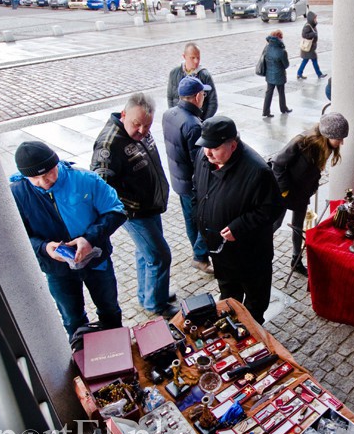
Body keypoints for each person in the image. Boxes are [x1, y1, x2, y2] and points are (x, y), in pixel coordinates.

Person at [9, 141, 127, 337]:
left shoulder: (85, 179)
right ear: (25, 176)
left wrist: (89, 239)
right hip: (57, 269)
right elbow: (16, 235)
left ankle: (117, 347)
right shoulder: (17, 193)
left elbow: (116, 211)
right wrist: (44, 248)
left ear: (57, 163)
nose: (44, 181)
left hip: (96, 260)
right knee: (72, 319)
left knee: (109, 309)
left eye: (48, 173)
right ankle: (82, 353)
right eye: (35, 178)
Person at [91, 93, 177, 318]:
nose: (142, 130)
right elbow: (102, 190)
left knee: (145, 253)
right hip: (134, 213)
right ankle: (156, 305)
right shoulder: (108, 145)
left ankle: (148, 294)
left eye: (147, 125)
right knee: (160, 255)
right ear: (123, 115)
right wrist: (130, 207)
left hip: (150, 206)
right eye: (136, 124)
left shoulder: (140, 130)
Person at [193, 117, 281, 324]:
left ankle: (251, 334)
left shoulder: (258, 171)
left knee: (254, 303)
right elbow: (196, 187)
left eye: (214, 148)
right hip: (220, 251)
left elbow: (272, 208)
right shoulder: (204, 156)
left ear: (233, 145)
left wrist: (240, 227)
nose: (207, 152)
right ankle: (231, 327)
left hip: (250, 254)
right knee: (228, 296)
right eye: (205, 146)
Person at [270, 113, 349, 276]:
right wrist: (284, 190)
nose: (342, 142)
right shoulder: (302, 141)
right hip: (283, 191)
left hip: (301, 192)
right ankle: (260, 255)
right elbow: (277, 164)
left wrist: (312, 187)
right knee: (274, 224)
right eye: (339, 138)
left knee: (298, 227)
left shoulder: (326, 145)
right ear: (328, 134)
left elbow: (313, 170)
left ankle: (296, 260)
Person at [162, 76, 215, 275]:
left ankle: (199, 254)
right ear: (196, 96)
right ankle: (200, 256)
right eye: (203, 93)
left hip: (178, 180)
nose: (204, 97)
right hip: (193, 183)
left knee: (190, 220)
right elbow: (200, 161)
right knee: (204, 219)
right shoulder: (193, 124)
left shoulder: (169, 114)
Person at [167, 42, 218, 120]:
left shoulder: (205, 75)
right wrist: (175, 116)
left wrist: (203, 121)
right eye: (193, 58)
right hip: (179, 118)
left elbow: (213, 102)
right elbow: (170, 97)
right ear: (184, 56)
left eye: (198, 57)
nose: (196, 61)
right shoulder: (174, 73)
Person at [262, 29, 292, 118]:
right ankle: (283, 108)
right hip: (279, 75)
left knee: (269, 92)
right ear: (280, 38)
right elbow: (286, 65)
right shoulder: (282, 51)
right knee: (281, 92)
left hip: (269, 74)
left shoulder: (267, 48)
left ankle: (265, 111)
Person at [297, 11, 327, 80]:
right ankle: (319, 74)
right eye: (315, 19)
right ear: (311, 19)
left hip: (310, 48)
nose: (316, 20)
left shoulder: (312, 25)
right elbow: (304, 35)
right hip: (309, 48)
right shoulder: (307, 26)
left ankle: (299, 73)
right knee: (314, 60)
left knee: (305, 61)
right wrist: (312, 34)